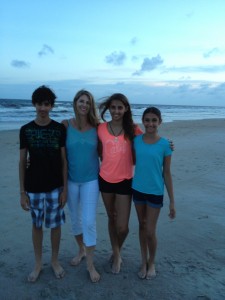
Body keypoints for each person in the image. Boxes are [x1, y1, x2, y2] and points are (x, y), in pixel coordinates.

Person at [19, 85, 67, 282]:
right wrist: (22, 192)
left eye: (47, 104)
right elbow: (22, 161)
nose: (43, 108)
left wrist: (64, 188)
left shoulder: (58, 129)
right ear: (34, 104)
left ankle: (54, 261)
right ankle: (38, 263)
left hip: (55, 186)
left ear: (52, 106)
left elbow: (64, 160)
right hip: (34, 186)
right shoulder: (26, 130)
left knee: (55, 225)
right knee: (36, 224)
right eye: (39, 104)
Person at [98, 93, 143, 274]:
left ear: (126, 109)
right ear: (109, 108)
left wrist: (167, 145)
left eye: (120, 107)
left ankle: (117, 249)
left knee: (123, 226)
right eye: (113, 107)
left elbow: (148, 142)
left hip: (125, 180)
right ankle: (116, 254)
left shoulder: (133, 129)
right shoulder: (100, 128)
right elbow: (87, 146)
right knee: (112, 218)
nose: (116, 111)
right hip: (105, 179)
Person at [132, 107, 176, 280]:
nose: (150, 123)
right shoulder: (136, 140)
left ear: (160, 122)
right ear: (143, 121)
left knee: (150, 230)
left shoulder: (165, 144)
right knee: (142, 226)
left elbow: (167, 173)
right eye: (147, 120)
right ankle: (143, 261)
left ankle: (152, 262)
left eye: (154, 120)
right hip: (137, 190)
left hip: (155, 192)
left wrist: (172, 201)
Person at [62, 90, 100, 283]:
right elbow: (55, 152)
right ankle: (81, 249)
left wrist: (162, 142)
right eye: (81, 101)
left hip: (91, 180)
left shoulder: (98, 127)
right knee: (75, 220)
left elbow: (120, 138)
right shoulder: (65, 125)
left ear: (90, 105)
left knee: (89, 221)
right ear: (75, 102)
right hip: (70, 180)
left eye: (87, 102)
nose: (84, 104)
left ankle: (90, 265)